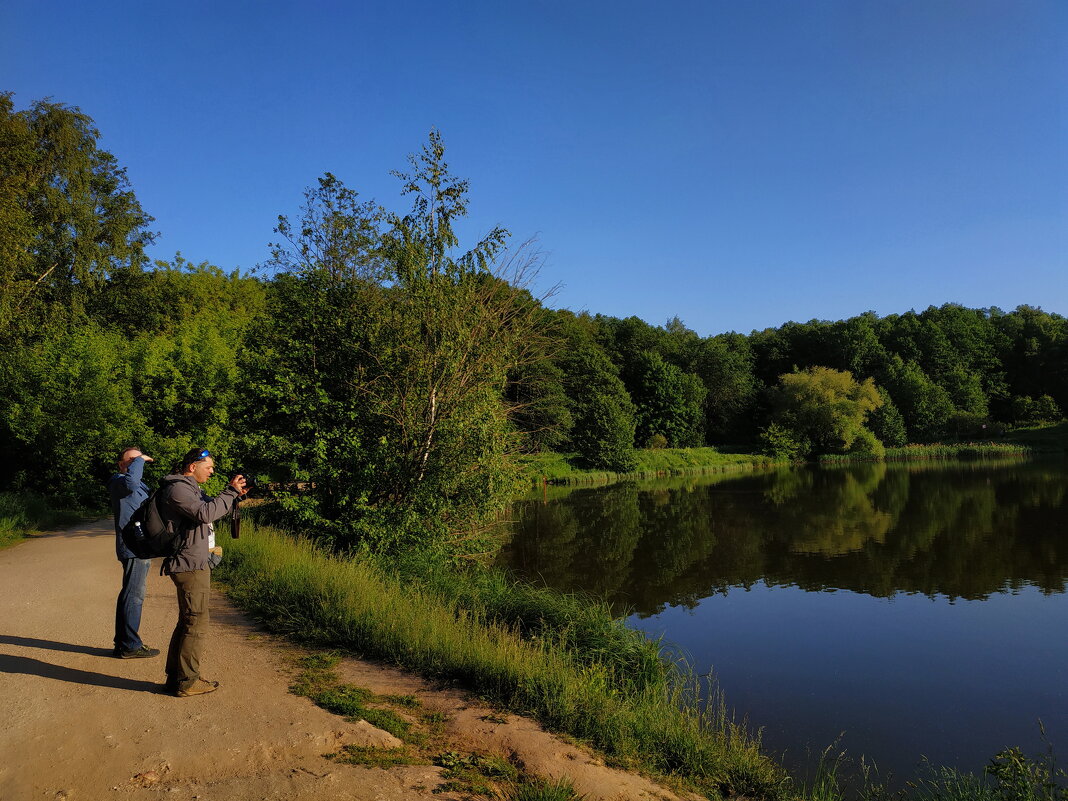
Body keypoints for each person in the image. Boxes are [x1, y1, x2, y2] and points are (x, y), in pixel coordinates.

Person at [158, 447, 245, 697]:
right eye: (209, 466)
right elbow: (204, 513)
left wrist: (235, 496)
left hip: (194, 561)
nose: (212, 471)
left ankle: (177, 678)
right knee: (195, 624)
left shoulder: (190, 488)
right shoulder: (178, 488)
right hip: (190, 564)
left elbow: (211, 510)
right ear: (192, 466)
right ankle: (186, 682)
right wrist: (229, 490)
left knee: (188, 622)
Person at [108, 447, 160, 659]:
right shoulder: (119, 480)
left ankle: (123, 643)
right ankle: (130, 645)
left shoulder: (136, 484)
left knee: (129, 595)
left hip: (139, 546)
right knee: (134, 597)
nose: (136, 462)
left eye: (137, 460)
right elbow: (131, 483)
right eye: (131, 460)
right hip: (133, 547)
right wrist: (141, 460)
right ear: (121, 464)